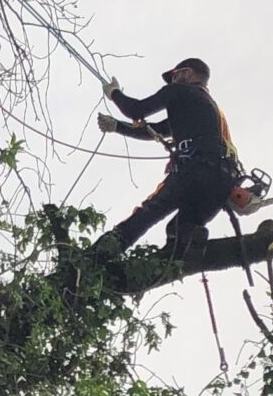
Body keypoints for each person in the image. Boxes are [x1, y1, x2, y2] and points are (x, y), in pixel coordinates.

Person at [94, 56, 240, 255]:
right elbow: (159, 130)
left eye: (173, 76)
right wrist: (118, 126)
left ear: (186, 73)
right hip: (222, 181)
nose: (171, 82)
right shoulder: (207, 108)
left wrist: (114, 94)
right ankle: (188, 247)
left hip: (195, 171)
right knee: (180, 230)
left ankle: (98, 255)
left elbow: (136, 110)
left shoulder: (178, 90)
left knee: (147, 213)